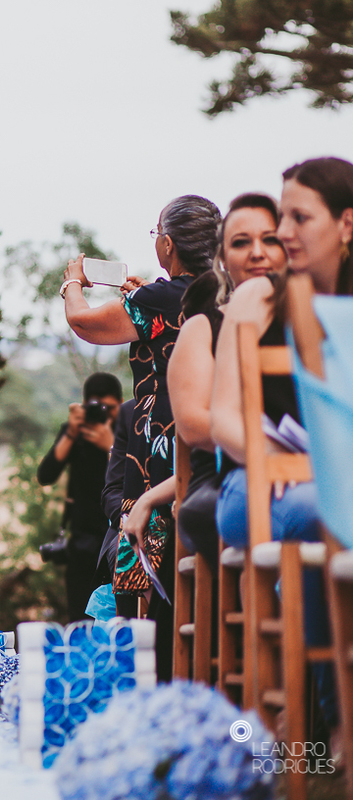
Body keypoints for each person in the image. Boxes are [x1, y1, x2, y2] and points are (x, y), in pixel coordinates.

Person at [210, 158, 353, 733]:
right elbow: (221, 419)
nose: (284, 233)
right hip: (259, 479)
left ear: (346, 225)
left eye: (298, 217)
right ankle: (327, 720)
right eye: (281, 215)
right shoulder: (256, 301)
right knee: (321, 510)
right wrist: (288, 464)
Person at [62, 195, 222, 628]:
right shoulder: (223, 296)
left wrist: (73, 283)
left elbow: (83, 322)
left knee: (152, 572)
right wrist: (141, 299)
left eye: (157, 234)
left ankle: (151, 652)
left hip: (164, 444)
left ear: (168, 245)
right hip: (214, 436)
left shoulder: (159, 298)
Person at [167, 193, 287, 571]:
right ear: (222, 259)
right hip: (223, 473)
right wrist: (271, 454)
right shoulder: (205, 327)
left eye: (270, 240)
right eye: (241, 242)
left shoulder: (310, 318)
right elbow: (194, 424)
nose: (257, 253)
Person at [37, 372, 122, 620]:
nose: (103, 413)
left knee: (115, 616)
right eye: (97, 407)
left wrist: (111, 444)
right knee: (79, 617)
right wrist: (72, 432)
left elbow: (136, 475)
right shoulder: (76, 433)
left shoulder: (126, 429)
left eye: (110, 407)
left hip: (117, 534)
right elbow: (46, 474)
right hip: (83, 539)